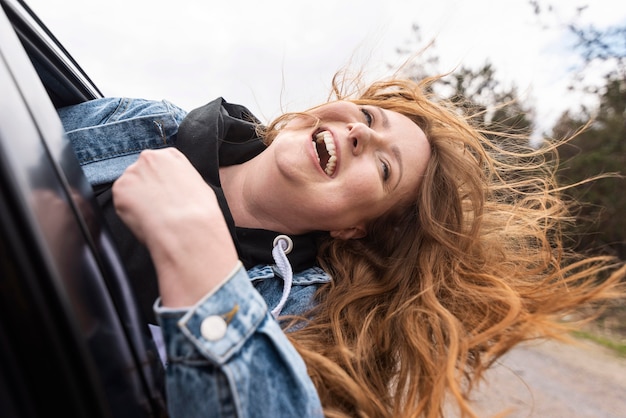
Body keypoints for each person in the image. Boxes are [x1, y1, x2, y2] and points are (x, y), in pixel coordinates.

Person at [59, 74, 625, 417]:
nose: (360, 131)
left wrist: (200, 257)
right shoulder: (147, 126)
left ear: (356, 228)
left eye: (383, 166)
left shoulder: (309, 319)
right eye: (369, 117)